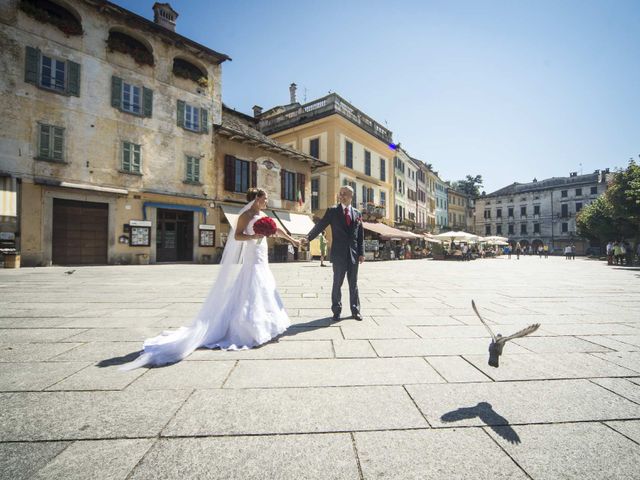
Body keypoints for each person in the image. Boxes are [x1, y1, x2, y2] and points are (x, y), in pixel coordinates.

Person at [120, 188, 300, 369]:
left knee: (265, 286)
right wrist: (253, 236)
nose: (267, 201)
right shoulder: (246, 215)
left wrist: (292, 240)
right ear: (256, 198)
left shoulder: (263, 214)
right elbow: (237, 235)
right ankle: (248, 328)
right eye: (265, 198)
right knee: (252, 285)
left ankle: (265, 324)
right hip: (252, 255)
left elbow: (275, 230)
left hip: (262, 255)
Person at [303, 186, 364, 321]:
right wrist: (308, 238)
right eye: (340, 194)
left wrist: (361, 252)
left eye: (345, 194)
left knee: (353, 284)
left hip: (353, 254)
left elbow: (360, 235)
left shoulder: (357, 213)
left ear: (351, 197)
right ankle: (336, 310)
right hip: (338, 254)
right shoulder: (332, 211)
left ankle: (355, 310)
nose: (342, 196)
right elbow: (320, 226)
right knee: (337, 283)